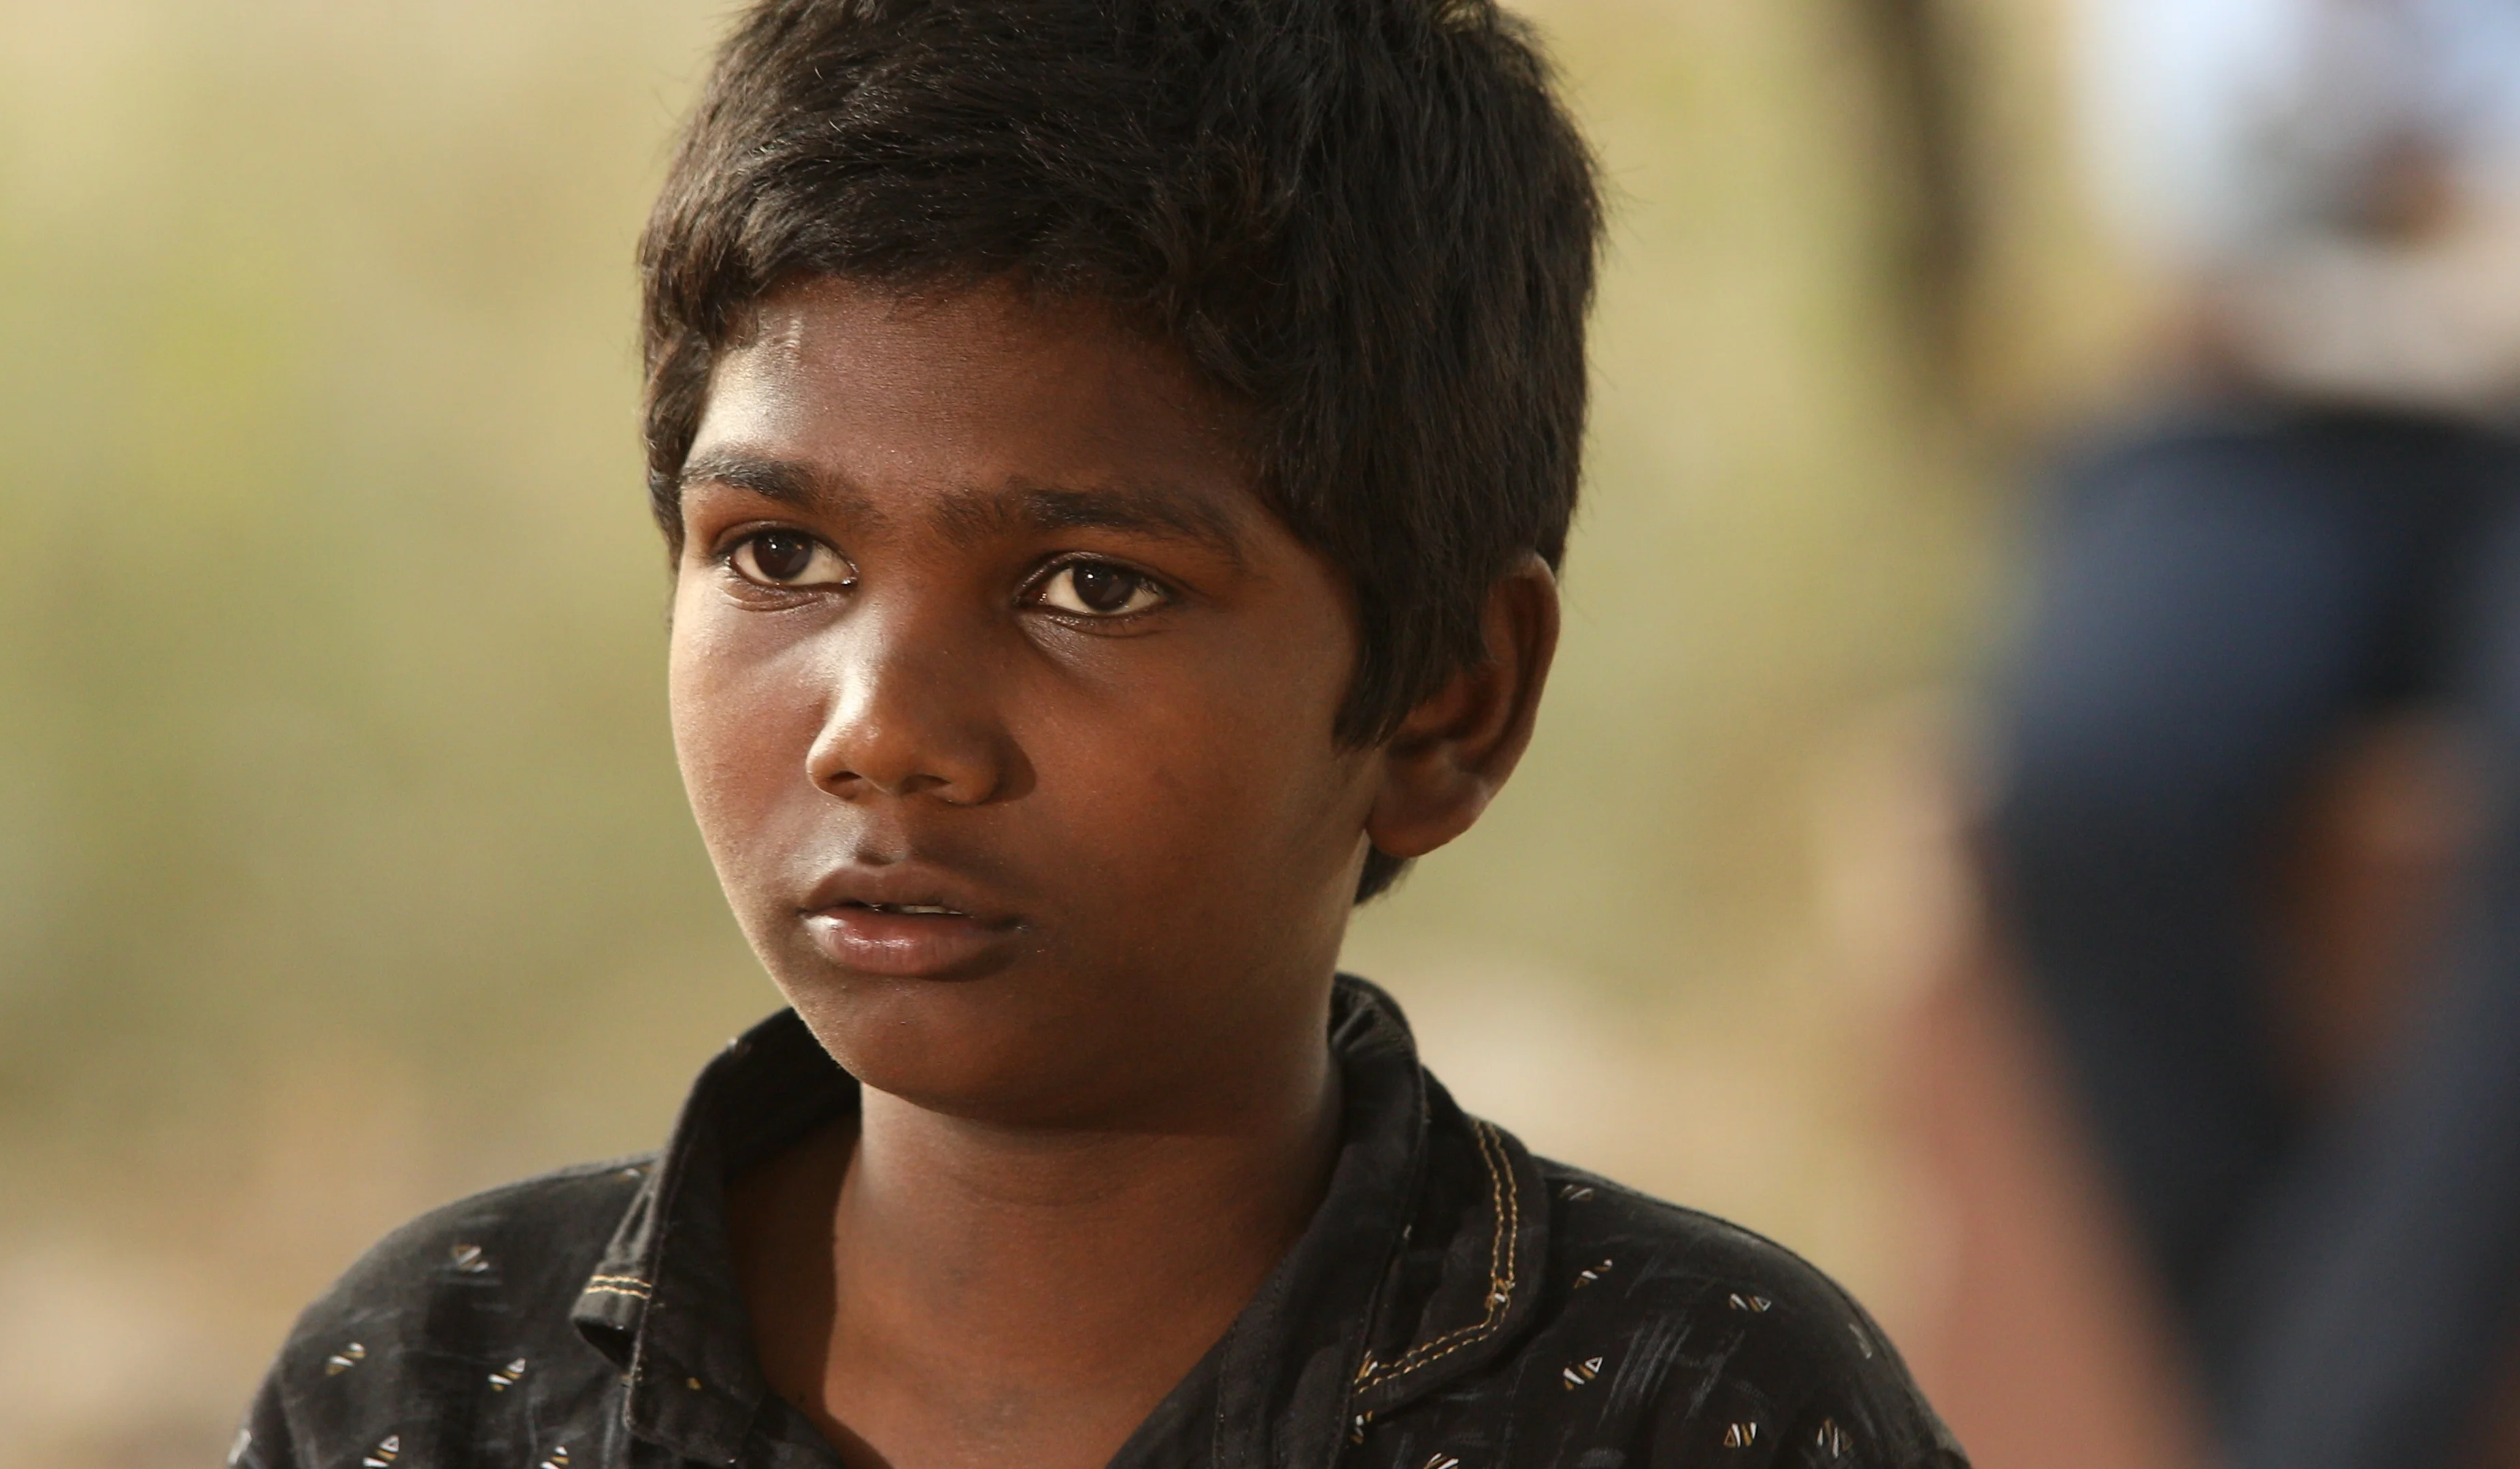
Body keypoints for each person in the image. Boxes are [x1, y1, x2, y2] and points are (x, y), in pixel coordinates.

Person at [231, 3, 1966, 1466]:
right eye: (780, 556)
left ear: (1450, 700)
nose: (882, 732)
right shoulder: (438, 1388)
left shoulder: (1689, 1408)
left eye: (1090, 588)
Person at [1989, 1, 2520, 1464]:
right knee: (2088, 773)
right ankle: (2302, 1413)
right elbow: (2200, 192)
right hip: (2255, 426)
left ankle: (2325, 1432)